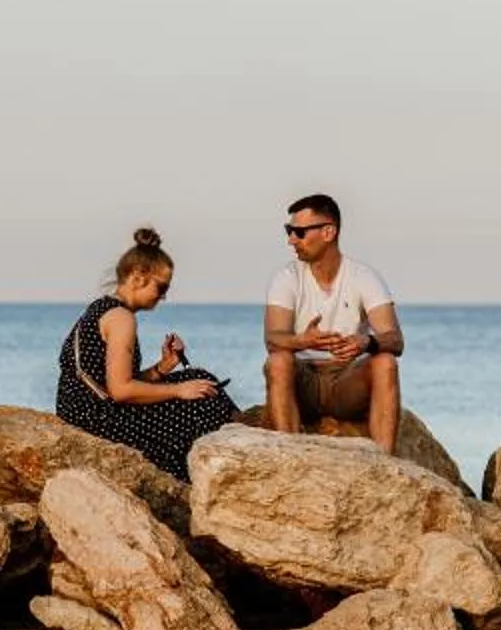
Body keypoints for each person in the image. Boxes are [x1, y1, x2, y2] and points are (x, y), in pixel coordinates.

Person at [54, 226, 240, 479]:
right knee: (202, 402)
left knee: (196, 379)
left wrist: (162, 368)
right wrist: (178, 390)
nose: (163, 297)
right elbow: (120, 391)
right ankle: (217, 468)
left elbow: (112, 383)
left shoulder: (102, 308)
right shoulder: (121, 319)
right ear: (138, 277)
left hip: (83, 411)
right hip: (95, 420)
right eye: (161, 288)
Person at [263, 192, 403, 454]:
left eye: (299, 232)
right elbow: (272, 339)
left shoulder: (364, 276)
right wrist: (302, 341)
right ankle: (289, 460)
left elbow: (395, 340)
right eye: (289, 230)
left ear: (328, 232)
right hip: (304, 380)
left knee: (385, 362)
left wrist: (367, 342)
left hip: (346, 381)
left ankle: (385, 463)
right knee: (279, 360)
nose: (291, 239)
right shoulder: (286, 277)